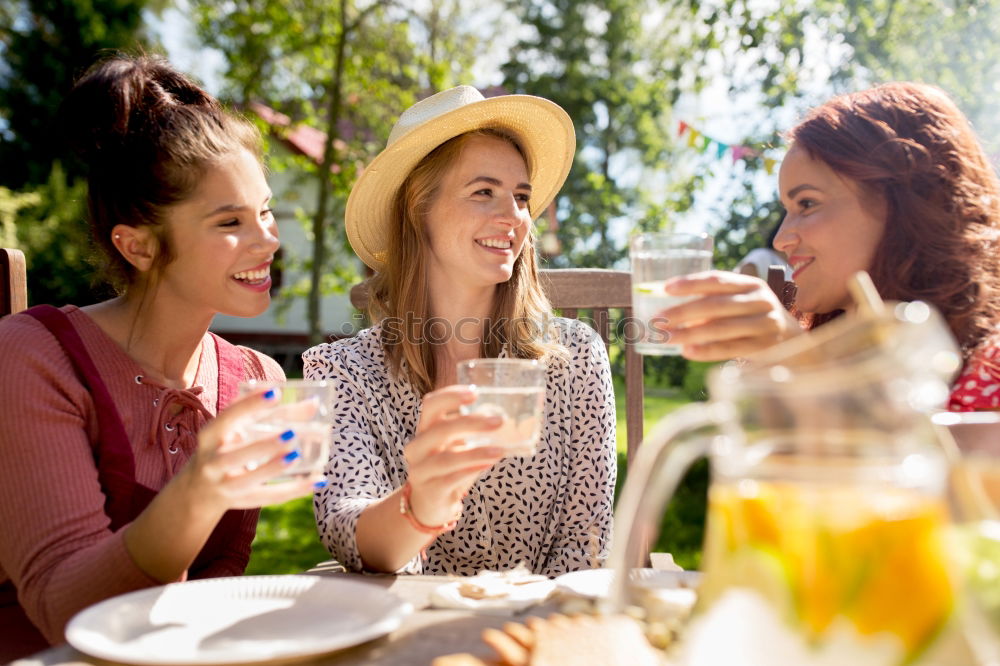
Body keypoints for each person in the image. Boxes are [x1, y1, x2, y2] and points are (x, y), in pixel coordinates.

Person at [0, 54, 320, 659]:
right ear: (139, 245)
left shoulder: (256, 377)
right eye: (230, 220)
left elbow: (220, 595)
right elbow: (63, 609)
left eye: (266, 211)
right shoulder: (32, 358)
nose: (269, 239)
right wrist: (199, 489)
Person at [303, 85, 616, 576]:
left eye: (521, 196)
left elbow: (586, 546)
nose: (514, 216)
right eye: (483, 192)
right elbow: (348, 530)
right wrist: (419, 504)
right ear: (417, 208)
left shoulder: (576, 358)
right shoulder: (346, 371)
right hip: (409, 637)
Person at [772, 81, 1000, 410]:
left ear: (902, 202)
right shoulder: (815, 359)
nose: (781, 239)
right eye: (787, 211)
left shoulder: (991, 369)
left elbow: (927, 453)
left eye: (807, 204)